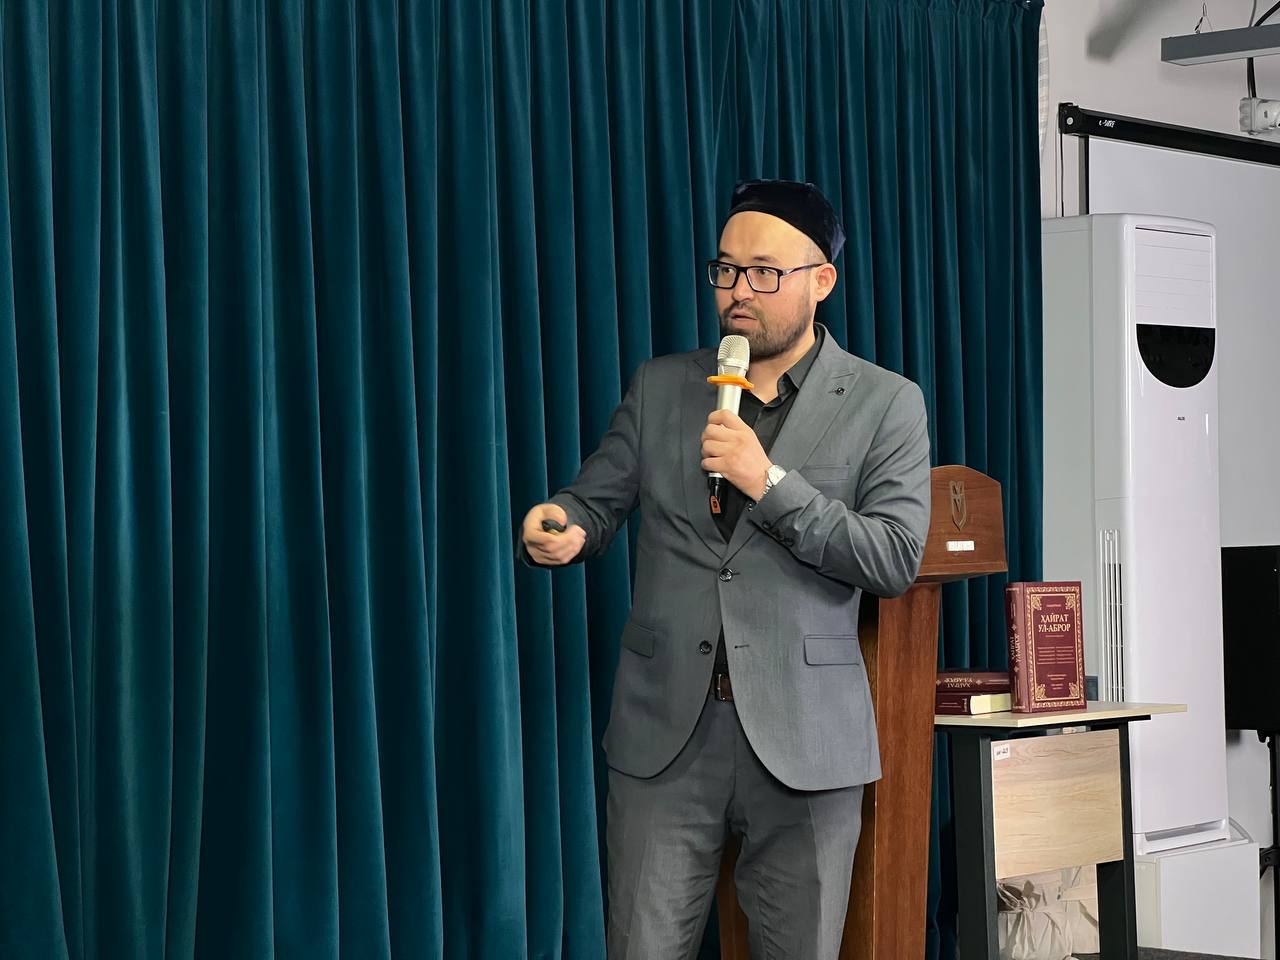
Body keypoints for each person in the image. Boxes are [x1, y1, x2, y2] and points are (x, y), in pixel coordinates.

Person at [519, 179, 932, 960]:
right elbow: (595, 500)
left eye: (765, 272)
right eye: (727, 269)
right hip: (665, 736)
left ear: (821, 280)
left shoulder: (885, 402)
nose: (739, 290)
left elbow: (891, 557)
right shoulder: (662, 386)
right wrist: (563, 527)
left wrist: (767, 482)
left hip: (806, 742)